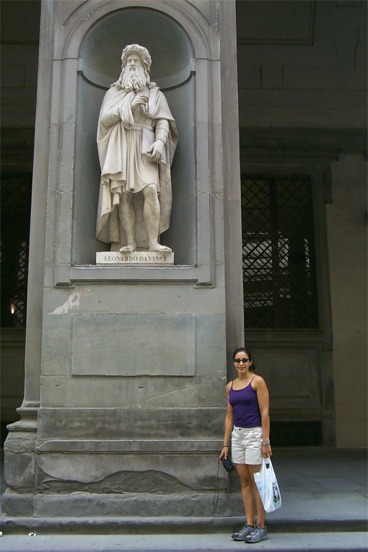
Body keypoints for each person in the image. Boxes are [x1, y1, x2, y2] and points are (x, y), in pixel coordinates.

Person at [96, 44, 178, 254]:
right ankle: (129, 242)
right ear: (123, 68)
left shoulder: (155, 93)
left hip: (146, 144)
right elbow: (105, 120)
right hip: (122, 144)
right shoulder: (114, 92)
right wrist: (129, 107)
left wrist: (160, 142)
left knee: (151, 190)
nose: (132, 64)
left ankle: (152, 242)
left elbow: (163, 121)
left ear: (144, 67)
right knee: (124, 194)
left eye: (136, 61)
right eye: (128, 62)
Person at [220, 347, 272, 544]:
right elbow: (229, 416)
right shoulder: (230, 386)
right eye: (237, 360)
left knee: (257, 482)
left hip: (255, 434)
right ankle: (249, 524)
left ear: (250, 362)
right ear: (234, 363)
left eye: (244, 360)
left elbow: (265, 412)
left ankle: (261, 526)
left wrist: (265, 441)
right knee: (244, 482)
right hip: (238, 435)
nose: (240, 364)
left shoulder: (257, 381)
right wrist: (226, 444)